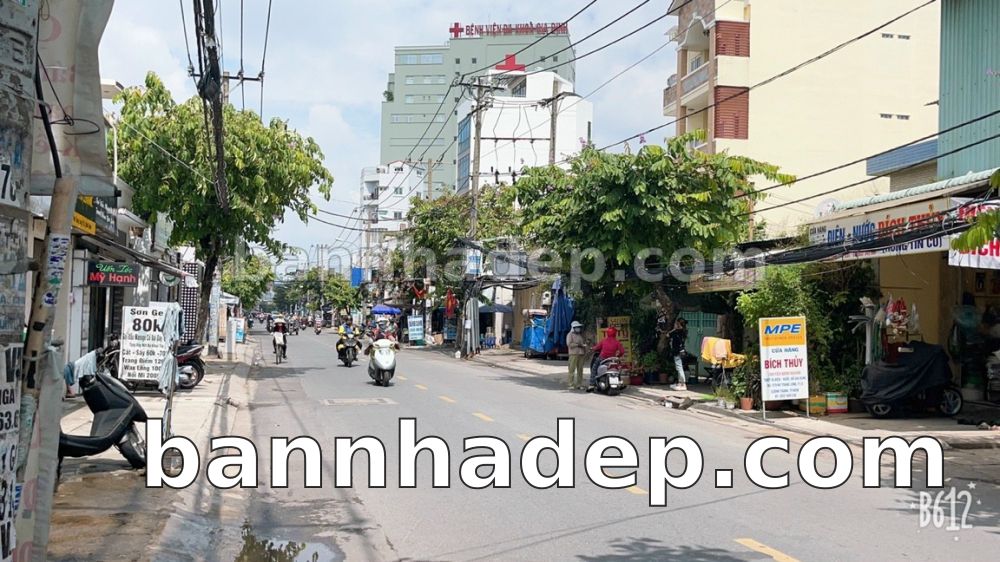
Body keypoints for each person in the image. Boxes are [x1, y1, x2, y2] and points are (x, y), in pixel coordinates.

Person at [566, 321, 588, 390]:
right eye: (577, 327)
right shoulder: (570, 335)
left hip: (581, 354)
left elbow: (582, 344)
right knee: (572, 369)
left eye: (579, 327)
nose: (578, 328)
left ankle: (579, 384)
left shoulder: (579, 335)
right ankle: (571, 384)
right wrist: (578, 345)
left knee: (580, 370)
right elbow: (569, 344)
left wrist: (584, 347)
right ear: (573, 328)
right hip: (573, 354)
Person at [668, 318, 689, 391]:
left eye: (676, 323)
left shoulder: (676, 332)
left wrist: (674, 329)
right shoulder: (683, 331)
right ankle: (680, 383)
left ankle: (683, 384)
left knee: (679, 367)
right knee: (679, 367)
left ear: (678, 324)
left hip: (677, 351)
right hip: (681, 351)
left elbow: (668, 335)